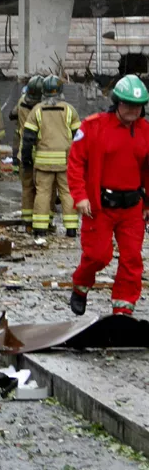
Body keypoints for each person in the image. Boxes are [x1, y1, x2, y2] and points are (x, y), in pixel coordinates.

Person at [68, 74, 149, 316]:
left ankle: (123, 310)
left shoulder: (145, 131)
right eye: (128, 104)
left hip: (132, 207)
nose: (133, 110)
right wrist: (80, 196)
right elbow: (75, 162)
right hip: (99, 206)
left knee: (132, 260)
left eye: (137, 106)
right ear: (117, 103)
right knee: (97, 256)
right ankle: (81, 285)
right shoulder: (93, 126)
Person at [22, 75, 81, 237]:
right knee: (67, 193)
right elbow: (79, 137)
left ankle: (40, 228)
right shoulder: (70, 110)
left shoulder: (37, 110)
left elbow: (28, 138)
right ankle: (71, 228)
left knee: (43, 193)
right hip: (65, 162)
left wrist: (26, 159)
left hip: (43, 162)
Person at [10, 76, 44, 231]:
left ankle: (27, 220)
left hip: (24, 149)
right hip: (42, 150)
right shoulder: (44, 107)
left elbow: (12, 114)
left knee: (27, 187)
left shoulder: (21, 101)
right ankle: (43, 220)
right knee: (43, 188)